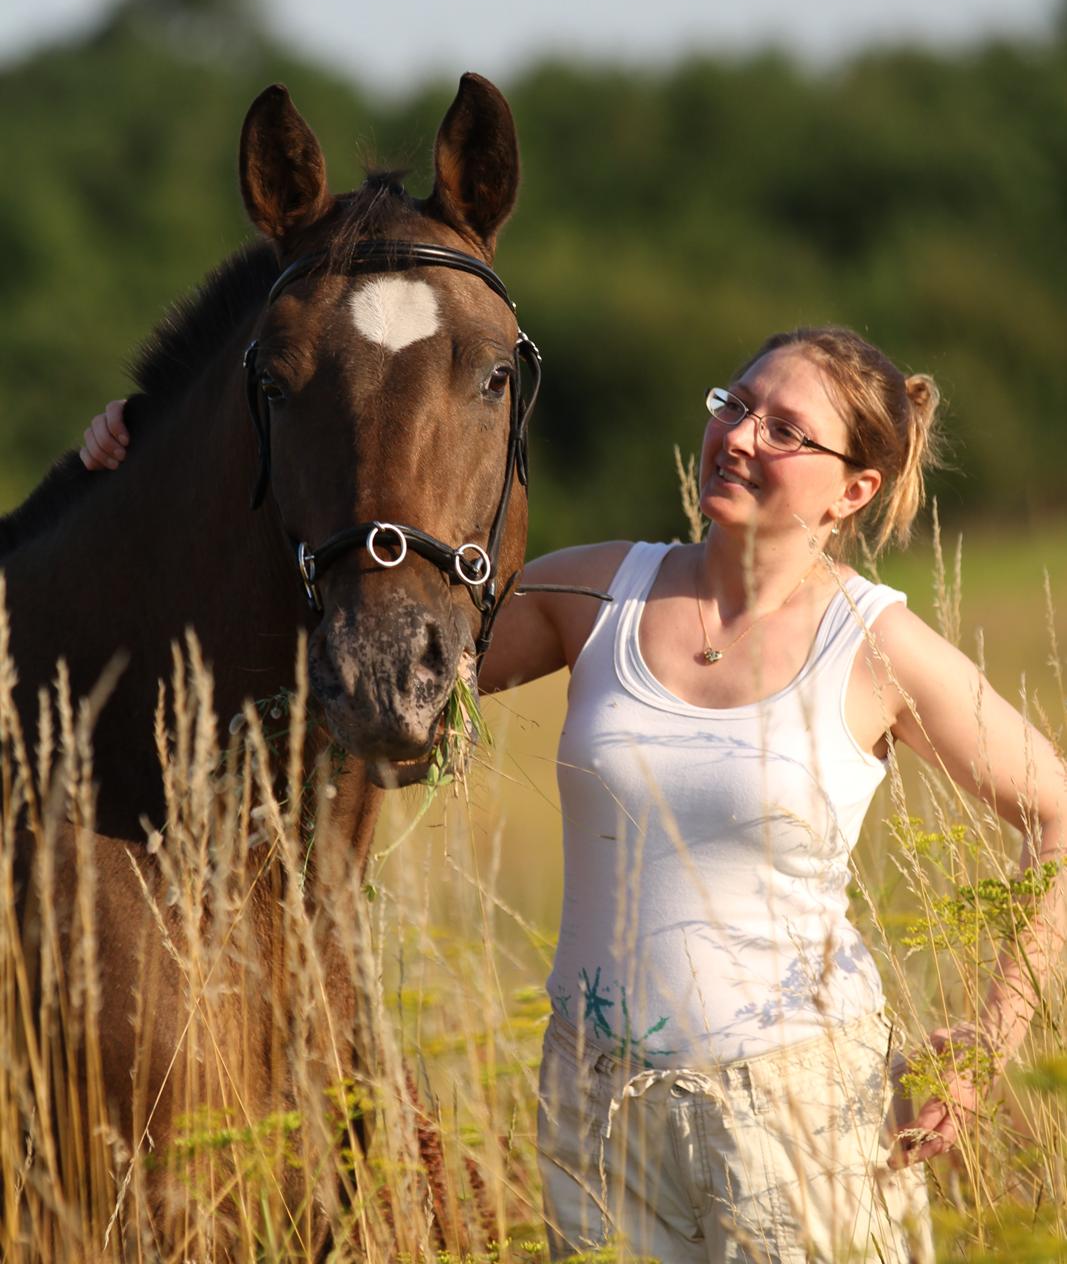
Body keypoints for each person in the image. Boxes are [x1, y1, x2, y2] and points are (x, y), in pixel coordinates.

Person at [82, 325, 1067, 1264]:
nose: (736, 436)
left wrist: (988, 1038)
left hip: (803, 1110)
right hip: (594, 1106)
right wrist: (149, 469)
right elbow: (370, 676)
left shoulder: (877, 647)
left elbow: (1055, 816)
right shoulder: (597, 592)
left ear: (849, 490)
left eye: (782, 429)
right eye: (735, 403)